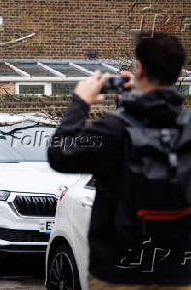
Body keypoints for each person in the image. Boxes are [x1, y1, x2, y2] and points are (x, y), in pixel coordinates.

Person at [48, 32, 191, 289]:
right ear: (179, 73)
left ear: (139, 68)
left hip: (119, 270)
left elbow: (60, 154)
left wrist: (80, 102)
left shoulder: (114, 129)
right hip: (179, 269)